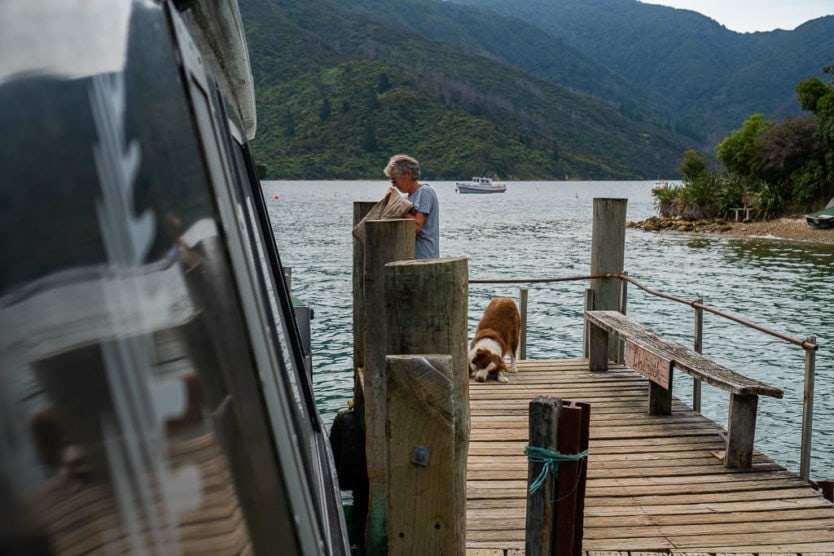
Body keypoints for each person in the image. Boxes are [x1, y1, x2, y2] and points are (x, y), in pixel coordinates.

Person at [383, 154, 439, 259]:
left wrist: (396, 204)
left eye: (395, 180)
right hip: (411, 257)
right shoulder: (407, 197)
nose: (393, 185)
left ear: (408, 174)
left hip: (424, 258)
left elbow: (416, 226)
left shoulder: (425, 192)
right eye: (392, 182)